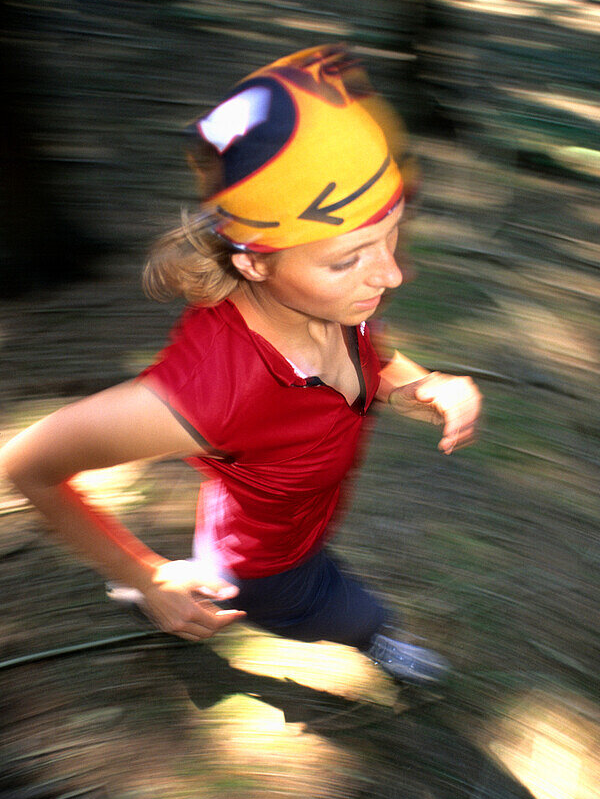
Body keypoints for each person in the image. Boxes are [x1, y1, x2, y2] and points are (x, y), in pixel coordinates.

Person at [0, 45, 481, 686]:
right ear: (255, 261)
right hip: (271, 566)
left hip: (283, 519)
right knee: (341, 608)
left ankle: (179, 594)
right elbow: (28, 465)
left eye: (392, 233)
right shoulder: (213, 392)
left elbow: (372, 350)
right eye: (348, 258)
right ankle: (374, 639)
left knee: (212, 582)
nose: (391, 273)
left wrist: (419, 386)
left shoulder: (332, 300)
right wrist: (141, 573)